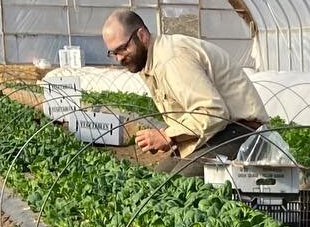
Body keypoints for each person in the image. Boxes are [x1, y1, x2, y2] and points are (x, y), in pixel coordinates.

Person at [100, 9, 267, 171]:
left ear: (141, 35)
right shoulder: (148, 62)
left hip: (242, 131)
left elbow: (214, 112)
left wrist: (168, 136)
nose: (120, 58)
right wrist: (172, 139)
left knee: (176, 184)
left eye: (123, 48)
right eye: (113, 53)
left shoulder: (171, 60)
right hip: (216, 132)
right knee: (158, 180)